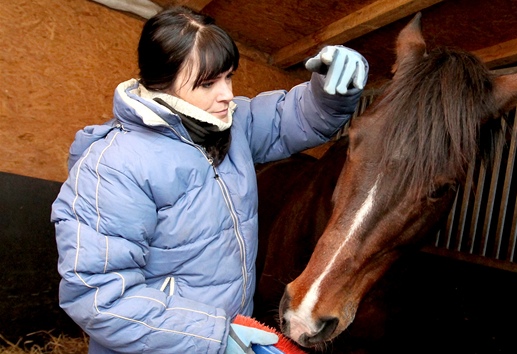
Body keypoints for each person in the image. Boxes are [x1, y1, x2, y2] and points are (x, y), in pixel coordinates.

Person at [51, 5, 368, 354]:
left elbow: (290, 118)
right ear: (163, 83)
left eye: (228, 76)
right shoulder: (114, 168)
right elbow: (98, 297)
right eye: (208, 83)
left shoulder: (231, 125)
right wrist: (214, 338)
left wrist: (332, 87)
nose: (227, 94)